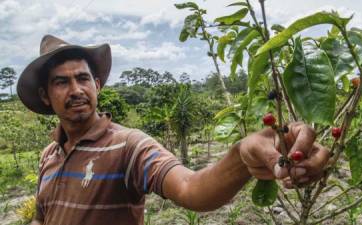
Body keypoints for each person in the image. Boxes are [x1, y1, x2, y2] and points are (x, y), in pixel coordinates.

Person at [17, 35, 330, 225]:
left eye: (83, 78)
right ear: (46, 96)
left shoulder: (127, 146)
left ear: (97, 85)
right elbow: (42, 216)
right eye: (61, 82)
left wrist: (241, 157)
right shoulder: (49, 155)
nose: (76, 89)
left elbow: (191, 188)